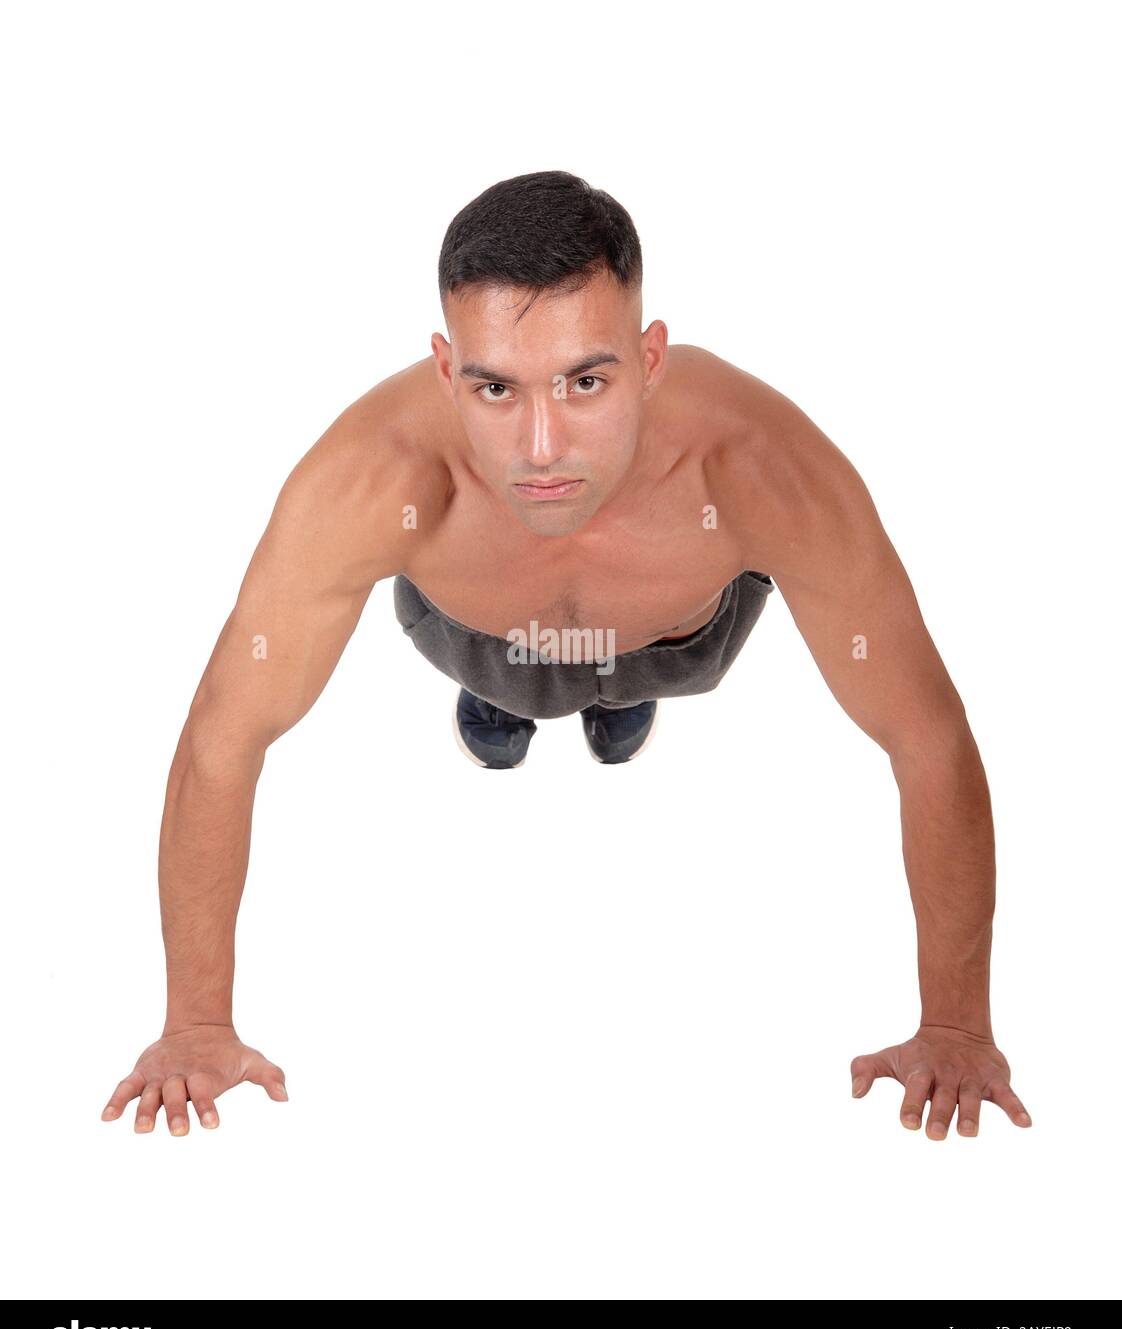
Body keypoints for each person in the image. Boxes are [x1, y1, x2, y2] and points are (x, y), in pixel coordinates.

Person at [101, 170, 1031, 1142]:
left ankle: (612, 700)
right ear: (443, 366)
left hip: (680, 635)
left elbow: (926, 735)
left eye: (586, 381)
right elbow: (225, 732)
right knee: (497, 665)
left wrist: (958, 1021)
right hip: (480, 630)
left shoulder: (759, 467)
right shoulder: (374, 477)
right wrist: (195, 1022)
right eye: (495, 386)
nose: (541, 446)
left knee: (638, 663)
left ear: (651, 356)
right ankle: (504, 701)